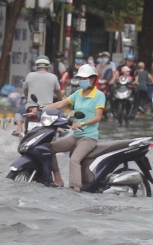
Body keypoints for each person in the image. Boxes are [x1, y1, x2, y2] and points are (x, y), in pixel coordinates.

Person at [43, 63, 107, 191]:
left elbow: (97, 117)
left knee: (74, 159)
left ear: (92, 79)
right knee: (49, 149)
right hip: (76, 136)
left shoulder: (99, 95)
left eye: (85, 78)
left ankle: (76, 188)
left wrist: (81, 124)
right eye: (81, 79)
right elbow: (61, 103)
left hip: (89, 138)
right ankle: (58, 179)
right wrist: (41, 108)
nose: (82, 81)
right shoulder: (78, 94)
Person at [16, 56, 63, 135]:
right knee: (60, 110)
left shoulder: (30, 75)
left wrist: (27, 96)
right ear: (48, 65)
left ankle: (19, 129)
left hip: (31, 107)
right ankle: (59, 127)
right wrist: (61, 100)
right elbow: (58, 92)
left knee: (19, 111)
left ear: (36, 65)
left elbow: (25, 90)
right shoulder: (53, 77)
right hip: (48, 109)